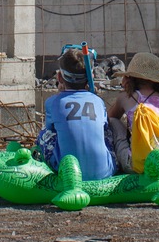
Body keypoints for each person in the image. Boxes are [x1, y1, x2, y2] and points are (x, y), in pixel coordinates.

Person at [34, 45, 116, 181]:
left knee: (45, 133)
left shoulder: (53, 102)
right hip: (105, 172)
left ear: (59, 77)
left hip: (67, 171)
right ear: (92, 76)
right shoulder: (98, 102)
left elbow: (50, 130)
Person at [106, 52, 159, 174]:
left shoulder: (126, 98)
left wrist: (124, 90)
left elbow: (109, 118)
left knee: (114, 122)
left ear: (130, 77)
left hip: (139, 165)